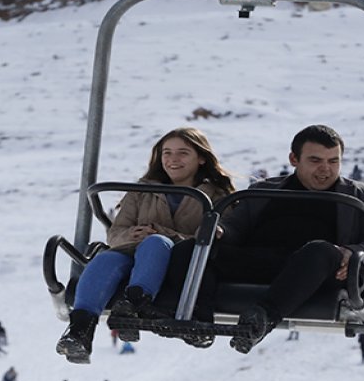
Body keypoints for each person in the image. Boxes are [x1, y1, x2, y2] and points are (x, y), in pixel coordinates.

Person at [203, 125, 364, 353]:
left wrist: (354, 253)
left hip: (320, 272)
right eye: (315, 160)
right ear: (294, 159)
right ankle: (194, 319)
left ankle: (261, 318)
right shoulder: (263, 190)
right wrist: (219, 231)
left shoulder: (362, 196)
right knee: (191, 249)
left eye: (333, 161)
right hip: (261, 262)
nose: (325, 170)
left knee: (320, 250)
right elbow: (235, 226)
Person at [56, 127, 236, 363]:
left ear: (201, 158)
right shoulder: (143, 190)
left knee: (155, 242)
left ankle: (136, 301)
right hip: (131, 251)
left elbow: (213, 238)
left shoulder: (216, 196)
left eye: (183, 153)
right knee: (106, 258)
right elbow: (116, 233)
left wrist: (161, 233)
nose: (173, 160)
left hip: (179, 261)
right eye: (167, 153)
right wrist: (133, 233)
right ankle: (80, 330)